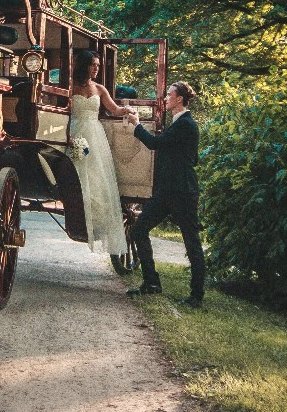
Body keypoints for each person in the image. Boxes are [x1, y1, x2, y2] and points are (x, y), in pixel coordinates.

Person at [125, 81, 204, 308]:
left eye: (169, 95)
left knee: (192, 243)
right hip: (168, 191)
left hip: (182, 193)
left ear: (179, 99)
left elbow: (154, 144)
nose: (165, 98)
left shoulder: (186, 124)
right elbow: (192, 157)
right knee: (139, 229)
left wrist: (137, 124)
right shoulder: (179, 124)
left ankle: (196, 296)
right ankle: (151, 283)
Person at [68, 50, 134, 257]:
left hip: (94, 135)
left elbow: (114, 110)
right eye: (93, 65)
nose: (97, 68)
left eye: (98, 65)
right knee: (77, 168)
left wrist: (129, 111)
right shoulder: (70, 86)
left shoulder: (99, 88)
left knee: (96, 174)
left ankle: (94, 217)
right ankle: (76, 203)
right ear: (84, 65)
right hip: (75, 131)